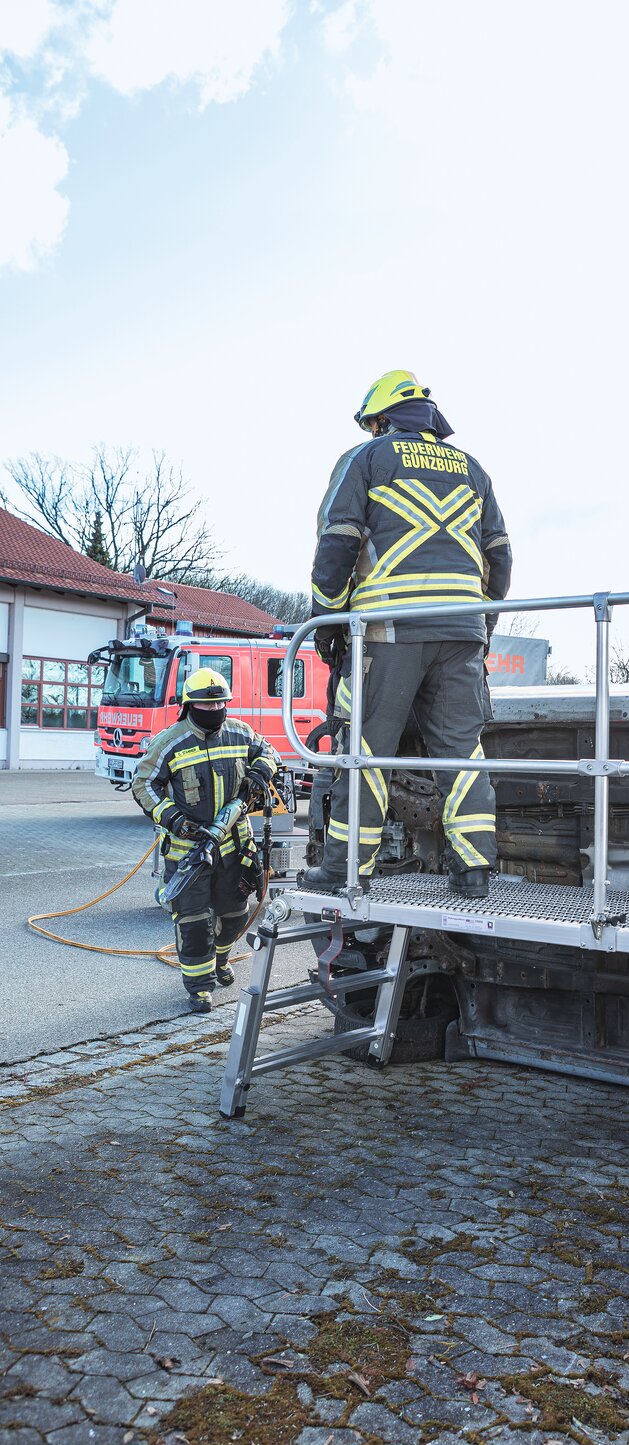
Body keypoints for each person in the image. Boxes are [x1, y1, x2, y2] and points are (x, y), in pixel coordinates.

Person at [301, 368, 513, 897]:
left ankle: (346, 869)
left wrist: (327, 619)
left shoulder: (366, 458)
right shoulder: (473, 469)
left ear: (381, 420)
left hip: (387, 633)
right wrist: (481, 620)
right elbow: (500, 558)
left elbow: (338, 542)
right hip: (463, 635)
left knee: (366, 754)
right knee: (463, 756)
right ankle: (473, 872)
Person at [133, 668, 280, 1011]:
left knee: (235, 916)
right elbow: (143, 783)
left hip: (235, 846)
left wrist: (260, 771)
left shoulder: (240, 732)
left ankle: (221, 957)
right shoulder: (170, 741)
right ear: (189, 706)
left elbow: (268, 751)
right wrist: (172, 817)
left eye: (220, 706)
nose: (214, 712)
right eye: (206, 707)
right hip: (190, 850)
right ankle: (200, 987)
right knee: (194, 922)